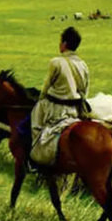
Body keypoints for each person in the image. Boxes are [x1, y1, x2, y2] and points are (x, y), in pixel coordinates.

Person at [29, 27, 90, 166]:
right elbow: (85, 90)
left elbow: (46, 87)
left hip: (55, 108)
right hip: (74, 109)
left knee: (35, 122)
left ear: (64, 44)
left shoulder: (56, 62)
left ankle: (37, 154)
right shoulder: (83, 65)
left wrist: (40, 99)